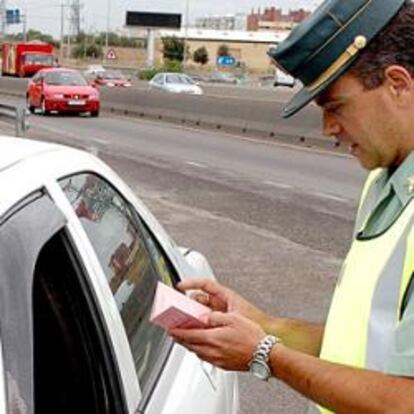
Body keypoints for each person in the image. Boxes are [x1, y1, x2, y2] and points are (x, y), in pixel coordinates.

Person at [169, 0, 414, 412]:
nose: (328, 129)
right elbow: (362, 348)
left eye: (335, 106)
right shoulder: (384, 183)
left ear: (398, 85)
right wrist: (263, 325)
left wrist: (265, 353)